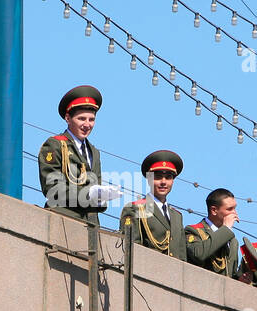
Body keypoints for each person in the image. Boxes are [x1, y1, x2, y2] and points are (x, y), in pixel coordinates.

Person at [38, 85, 119, 219]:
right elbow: (52, 189)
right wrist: (89, 193)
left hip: (91, 225)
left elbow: (95, 187)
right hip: (63, 219)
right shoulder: (56, 144)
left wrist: (102, 197)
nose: (87, 125)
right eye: (81, 119)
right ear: (68, 118)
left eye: (91, 119)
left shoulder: (94, 152)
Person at [119, 150, 187, 261]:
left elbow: (182, 257)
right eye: (158, 177)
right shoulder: (136, 208)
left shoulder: (177, 216)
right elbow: (132, 250)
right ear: (149, 179)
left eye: (168, 177)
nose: (163, 182)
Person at [185, 187, 242, 277]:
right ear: (214, 210)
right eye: (229, 209)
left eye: (235, 208)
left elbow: (231, 274)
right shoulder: (194, 230)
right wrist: (226, 229)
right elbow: (199, 254)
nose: (234, 213)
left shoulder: (233, 241)